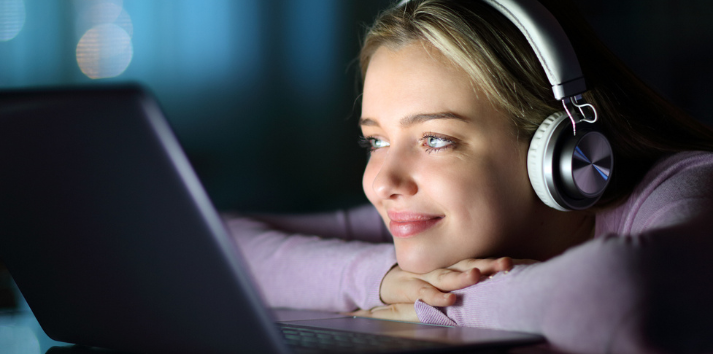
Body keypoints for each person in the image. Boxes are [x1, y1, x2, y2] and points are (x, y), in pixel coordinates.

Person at [225, 0, 713, 353]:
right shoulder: (444, 222)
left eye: (436, 139)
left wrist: (437, 306)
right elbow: (217, 242)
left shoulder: (690, 183)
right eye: (375, 141)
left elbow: (614, 293)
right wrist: (388, 279)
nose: (383, 182)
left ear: (561, 151)